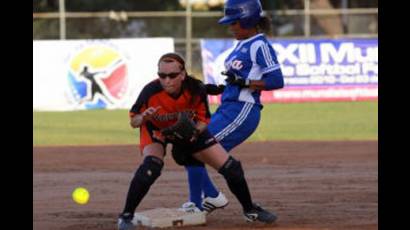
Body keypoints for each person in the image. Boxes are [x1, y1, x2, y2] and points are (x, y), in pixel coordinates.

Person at [117, 52, 277, 230]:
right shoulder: (150, 92)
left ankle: (249, 209)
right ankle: (126, 216)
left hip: (187, 130)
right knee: (151, 167)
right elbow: (134, 121)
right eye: (162, 75)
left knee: (232, 168)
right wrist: (143, 118)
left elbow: (203, 120)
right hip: (156, 130)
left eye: (172, 75)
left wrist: (193, 134)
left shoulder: (196, 89)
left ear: (183, 74)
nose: (167, 80)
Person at [174, 0, 285, 215]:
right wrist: (216, 89)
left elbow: (276, 80)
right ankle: (203, 200)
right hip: (228, 108)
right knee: (187, 145)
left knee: (195, 148)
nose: (231, 27)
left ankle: (207, 201)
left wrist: (244, 83)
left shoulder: (259, 45)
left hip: (243, 110)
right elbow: (238, 79)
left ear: (248, 20)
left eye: (234, 22)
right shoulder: (242, 44)